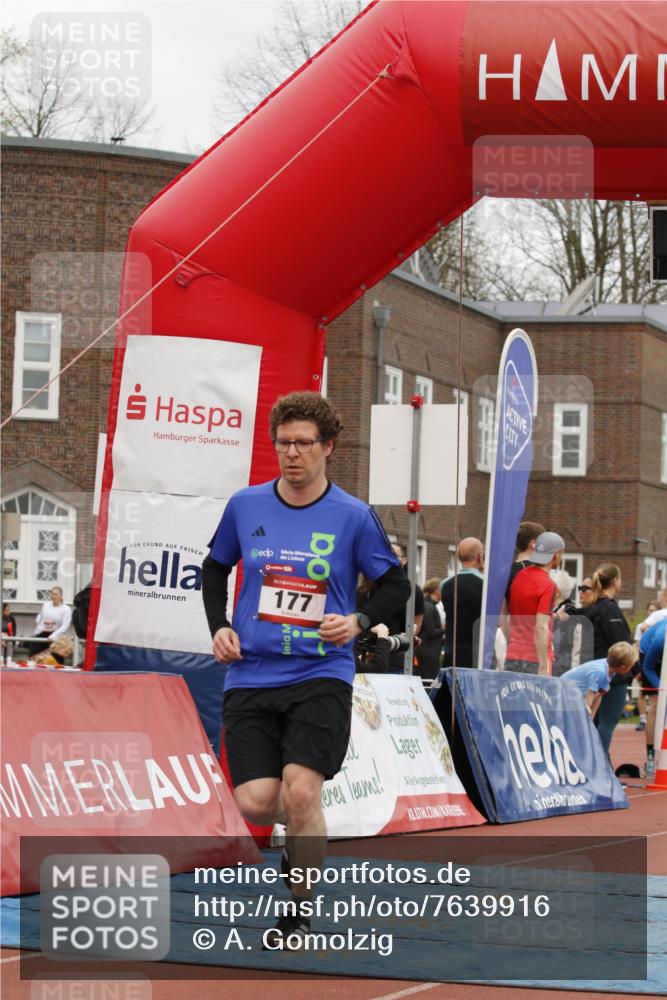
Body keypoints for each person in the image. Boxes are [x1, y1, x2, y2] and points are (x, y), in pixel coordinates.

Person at [201, 391, 410, 949]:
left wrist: (359, 619)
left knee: (300, 793)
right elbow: (215, 567)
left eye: (303, 444)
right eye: (283, 443)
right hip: (251, 672)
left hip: (322, 671)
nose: (291, 454)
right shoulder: (245, 506)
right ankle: (300, 829)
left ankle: (298, 910)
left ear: (328, 448)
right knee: (255, 802)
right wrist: (217, 625)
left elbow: (396, 585)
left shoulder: (352, 514)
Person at [581, 563, 633, 755]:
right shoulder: (608, 609)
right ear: (615, 582)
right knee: (607, 723)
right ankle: (599, 767)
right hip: (612, 673)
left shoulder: (593, 606)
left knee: (593, 722)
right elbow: (621, 644)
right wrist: (633, 670)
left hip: (594, 669)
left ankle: (597, 764)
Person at [505, 531, 564, 676]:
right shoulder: (548, 585)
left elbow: (504, 616)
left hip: (512, 654)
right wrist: (543, 664)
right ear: (556, 555)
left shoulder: (518, 576)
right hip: (534, 658)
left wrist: (512, 643)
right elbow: (541, 627)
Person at [561, 642, 639, 719]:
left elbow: (599, 695)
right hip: (562, 694)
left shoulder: (609, 671)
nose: (631, 669)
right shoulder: (600, 672)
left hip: (570, 697)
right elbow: (589, 698)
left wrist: (591, 718)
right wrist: (585, 721)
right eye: (631, 667)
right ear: (622, 667)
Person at [440, 538, 484, 669]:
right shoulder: (486, 584)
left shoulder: (445, 584)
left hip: (451, 651)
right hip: (477, 653)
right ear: (480, 556)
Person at [384, 542, 424, 671]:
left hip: (398, 658)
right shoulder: (371, 585)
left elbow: (416, 624)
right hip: (371, 656)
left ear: (405, 560)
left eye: (394, 555)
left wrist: (408, 634)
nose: (389, 559)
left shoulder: (414, 590)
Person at [639, 617, 666, 779]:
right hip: (649, 657)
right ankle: (650, 759)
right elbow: (648, 668)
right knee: (657, 704)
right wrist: (662, 689)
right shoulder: (660, 639)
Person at [25, 585, 71, 658]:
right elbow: (40, 618)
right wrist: (37, 631)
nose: (53, 596)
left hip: (55, 636)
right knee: (32, 656)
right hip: (42, 634)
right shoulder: (45, 605)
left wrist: (54, 635)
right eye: (52, 594)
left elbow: (65, 625)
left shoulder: (66, 609)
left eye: (56, 594)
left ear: (61, 596)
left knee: (54, 659)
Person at [415, 578, 444, 680]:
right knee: (429, 683)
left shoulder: (428, 605)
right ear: (436, 590)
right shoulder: (428, 606)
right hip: (428, 654)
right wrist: (444, 629)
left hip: (426, 651)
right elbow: (430, 632)